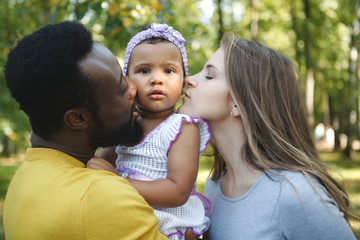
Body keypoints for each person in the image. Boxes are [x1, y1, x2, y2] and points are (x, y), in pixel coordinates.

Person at [178, 33, 359, 239]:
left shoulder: (295, 194)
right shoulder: (214, 187)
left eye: (209, 76)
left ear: (238, 102)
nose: (188, 80)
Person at [3, 21, 168, 240]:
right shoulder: (101, 196)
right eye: (121, 88)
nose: (134, 88)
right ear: (78, 118)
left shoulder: (24, 178)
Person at [87, 23, 212, 240]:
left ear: (183, 83)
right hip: (130, 216)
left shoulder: (182, 127)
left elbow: (177, 191)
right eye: (144, 70)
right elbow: (99, 161)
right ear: (128, 83)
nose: (156, 79)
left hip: (168, 222)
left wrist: (116, 180)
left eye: (169, 71)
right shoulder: (126, 122)